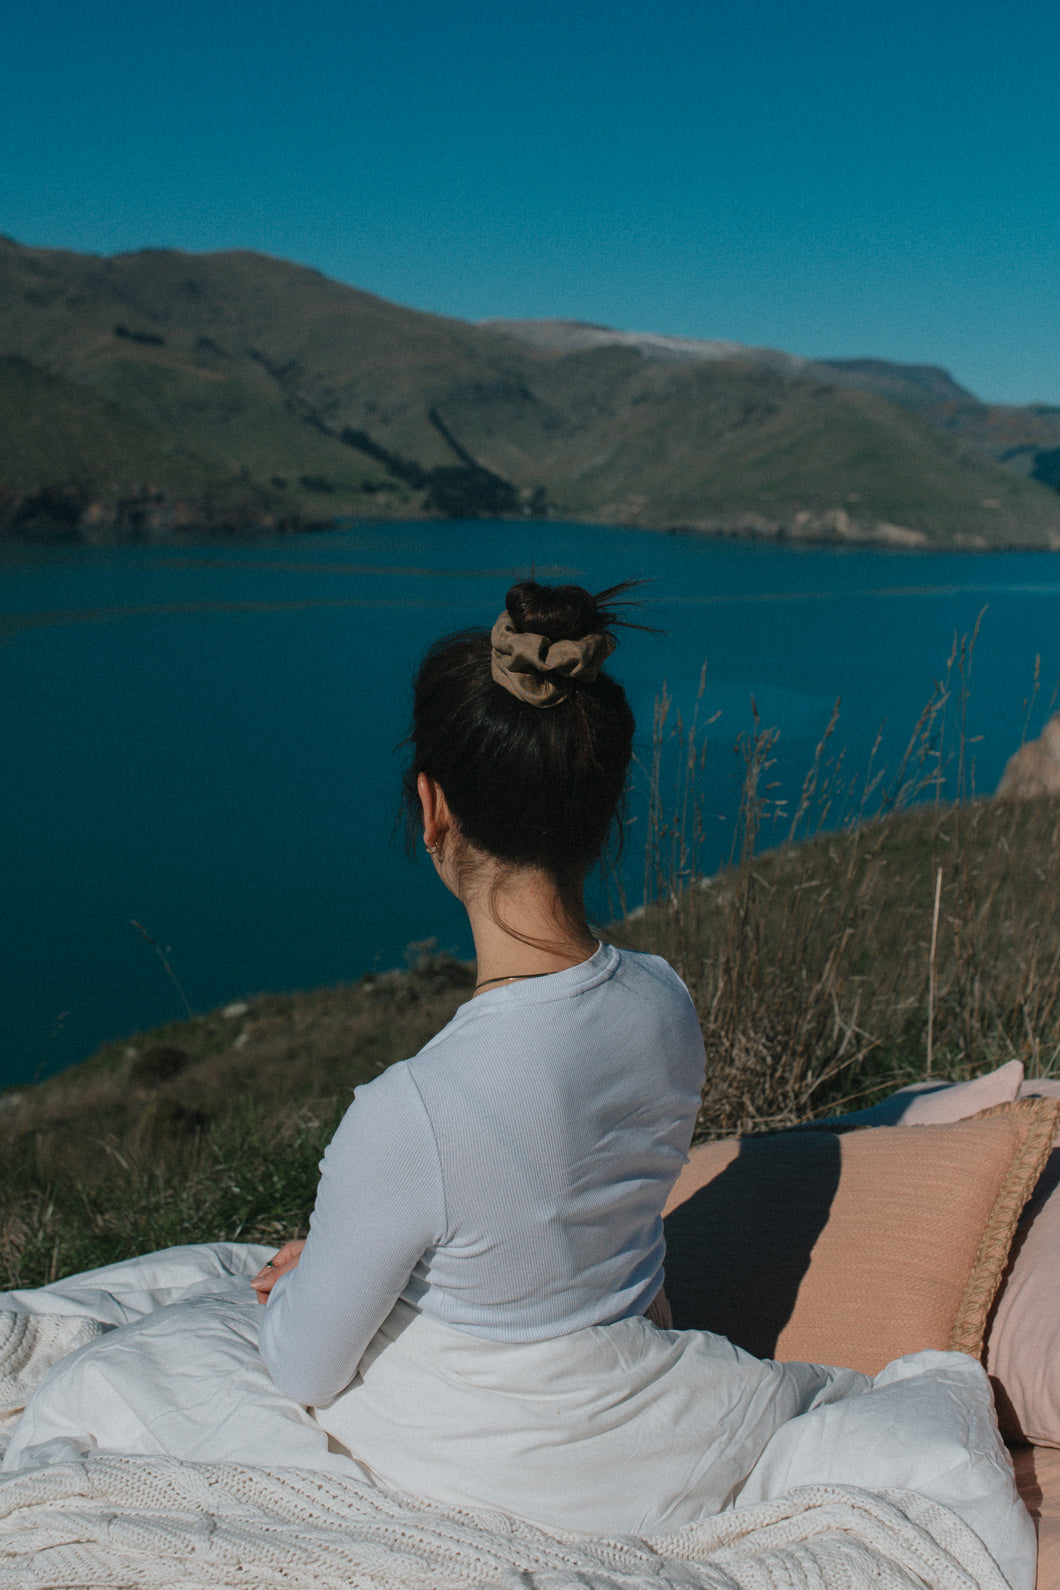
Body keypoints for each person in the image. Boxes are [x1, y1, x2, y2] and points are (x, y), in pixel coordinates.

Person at [244, 580, 858, 1535]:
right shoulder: (666, 1001)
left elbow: (299, 1369)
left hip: (488, 1457)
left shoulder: (412, 1110)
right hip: (653, 1409)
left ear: (431, 807)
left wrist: (317, 1271)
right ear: (601, 803)